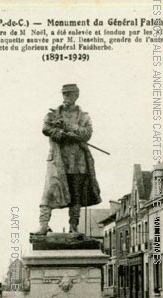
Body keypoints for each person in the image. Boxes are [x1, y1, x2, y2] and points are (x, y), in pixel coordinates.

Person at [34, 83, 101, 235]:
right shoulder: (53, 114)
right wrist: (58, 132)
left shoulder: (84, 116)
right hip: (58, 160)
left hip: (78, 162)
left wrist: (71, 129)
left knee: (76, 195)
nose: (66, 97)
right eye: (64, 94)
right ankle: (43, 225)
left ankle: (73, 226)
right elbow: (46, 128)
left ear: (76, 96)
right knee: (50, 191)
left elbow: (87, 133)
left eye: (69, 94)